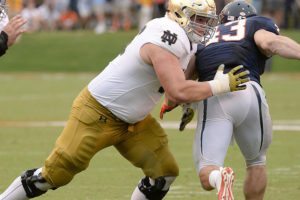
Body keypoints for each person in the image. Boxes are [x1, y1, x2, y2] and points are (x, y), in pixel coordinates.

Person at [0, 0, 249, 200]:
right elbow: (177, 89)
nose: (205, 26)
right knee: (54, 175)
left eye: (207, 20)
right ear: (180, 15)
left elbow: (179, 84)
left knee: (164, 173)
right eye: (199, 19)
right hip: (97, 113)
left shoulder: (185, 39)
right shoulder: (167, 35)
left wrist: (188, 100)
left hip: (134, 121)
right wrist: (220, 85)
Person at [176, 1, 300, 200]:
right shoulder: (254, 24)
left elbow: (183, 83)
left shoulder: (205, 38)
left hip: (215, 95)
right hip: (249, 90)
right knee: (257, 162)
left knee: (207, 171)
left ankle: (219, 178)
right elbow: (270, 43)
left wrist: (184, 105)